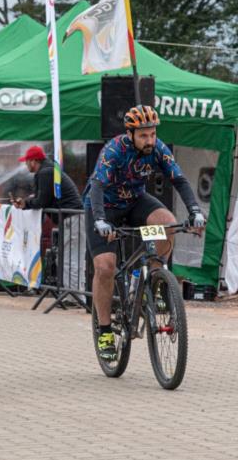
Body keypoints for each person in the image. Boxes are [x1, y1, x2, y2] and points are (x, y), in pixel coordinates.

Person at [83, 105, 205, 361]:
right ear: (130, 134)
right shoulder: (114, 150)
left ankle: (155, 277)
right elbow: (97, 185)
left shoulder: (158, 148)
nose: (150, 140)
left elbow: (179, 180)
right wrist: (102, 221)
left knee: (167, 222)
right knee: (105, 267)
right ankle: (105, 330)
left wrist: (194, 211)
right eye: (144, 136)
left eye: (152, 134)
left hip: (135, 201)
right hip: (104, 205)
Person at [12, 145, 82, 212]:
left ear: (33, 161)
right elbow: (42, 198)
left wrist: (26, 203)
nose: (25, 164)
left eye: (26, 161)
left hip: (71, 215)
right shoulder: (47, 170)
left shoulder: (45, 173)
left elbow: (41, 202)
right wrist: (25, 202)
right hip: (70, 213)